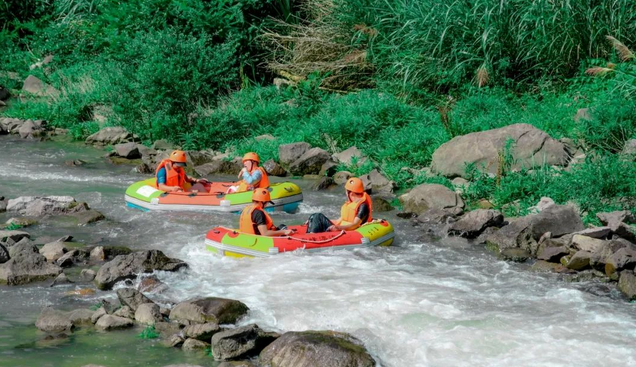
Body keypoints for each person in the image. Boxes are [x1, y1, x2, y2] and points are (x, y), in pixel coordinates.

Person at [305, 177, 372, 233]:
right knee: (315, 216)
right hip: (342, 229)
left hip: (348, 232)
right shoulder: (350, 204)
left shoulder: (363, 206)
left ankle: (310, 237)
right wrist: (314, 221)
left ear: (351, 193)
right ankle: (310, 235)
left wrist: (338, 228)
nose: (345, 193)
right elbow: (338, 221)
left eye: (346, 191)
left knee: (318, 216)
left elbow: (355, 225)